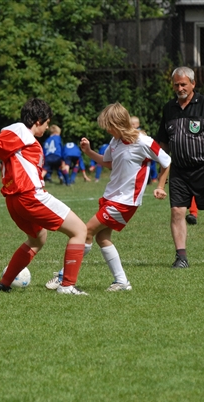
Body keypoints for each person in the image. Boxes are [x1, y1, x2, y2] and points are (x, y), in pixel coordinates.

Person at [0, 98, 88, 295]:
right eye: (47, 123)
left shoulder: (25, 138)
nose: (47, 127)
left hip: (16, 200)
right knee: (79, 230)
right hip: (29, 196)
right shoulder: (19, 131)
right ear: (38, 120)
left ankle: (4, 284)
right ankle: (67, 286)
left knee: (38, 239)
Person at [45, 102, 171, 291]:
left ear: (118, 123)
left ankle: (64, 276)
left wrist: (160, 186)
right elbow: (108, 163)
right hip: (111, 197)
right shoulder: (116, 141)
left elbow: (166, 161)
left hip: (125, 201)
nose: (107, 130)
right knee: (102, 238)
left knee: (85, 231)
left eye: (109, 126)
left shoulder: (143, 141)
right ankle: (121, 282)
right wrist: (88, 152)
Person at [156, 66, 204, 267]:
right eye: (176, 85)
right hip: (179, 171)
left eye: (183, 84)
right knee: (177, 212)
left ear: (193, 84)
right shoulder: (169, 108)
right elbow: (163, 142)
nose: (179, 88)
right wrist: (157, 159)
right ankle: (181, 257)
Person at [131, 115, 158, 184]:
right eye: (130, 124)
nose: (132, 126)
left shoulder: (141, 133)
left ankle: (153, 177)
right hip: (137, 153)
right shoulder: (130, 133)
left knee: (151, 166)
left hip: (145, 153)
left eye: (133, 124)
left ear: (138, 124)